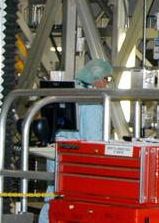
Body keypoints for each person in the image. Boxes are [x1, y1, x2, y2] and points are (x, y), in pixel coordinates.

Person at [39, 58, 114, 223]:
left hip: (58, 158)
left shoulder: (68, 93)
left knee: (53, 202)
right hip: (77, 165)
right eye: (107, 79)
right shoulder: (92, 102)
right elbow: (93, 141)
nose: (108, 84)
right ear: (97, 79)